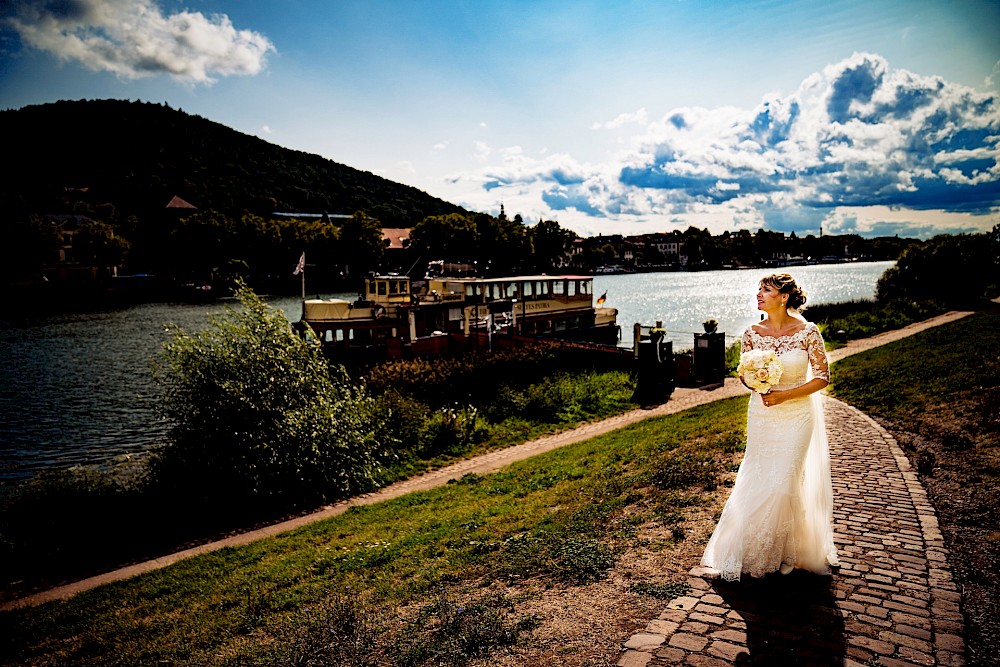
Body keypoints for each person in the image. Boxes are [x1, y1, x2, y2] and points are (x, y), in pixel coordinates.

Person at [701, 273, 839, 581]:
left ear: (784, 296)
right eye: (759, 290)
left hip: (797, 415)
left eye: (766, 290)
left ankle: (791, 551)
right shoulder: (752, 332)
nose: (759, 295)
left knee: (784, 481)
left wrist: (785, 394)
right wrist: (756, 380)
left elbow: (822, 377)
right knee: (759, 479)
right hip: (763, 415)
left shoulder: (807, 332)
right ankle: (755, 549)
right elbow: (743, 374)